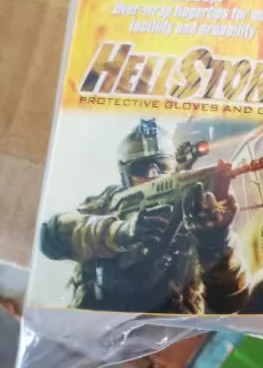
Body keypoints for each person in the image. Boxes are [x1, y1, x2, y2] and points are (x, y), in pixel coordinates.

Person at [40, 118, 247, 314]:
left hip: (168, 329)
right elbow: (52, 236)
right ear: (125, 175)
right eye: (141, 167)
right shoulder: (108, 203)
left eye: (162, 165)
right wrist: (121, 232)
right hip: (100, 320)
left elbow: (230, 302)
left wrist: (215, 243)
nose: (153, 174)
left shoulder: (195, 214)